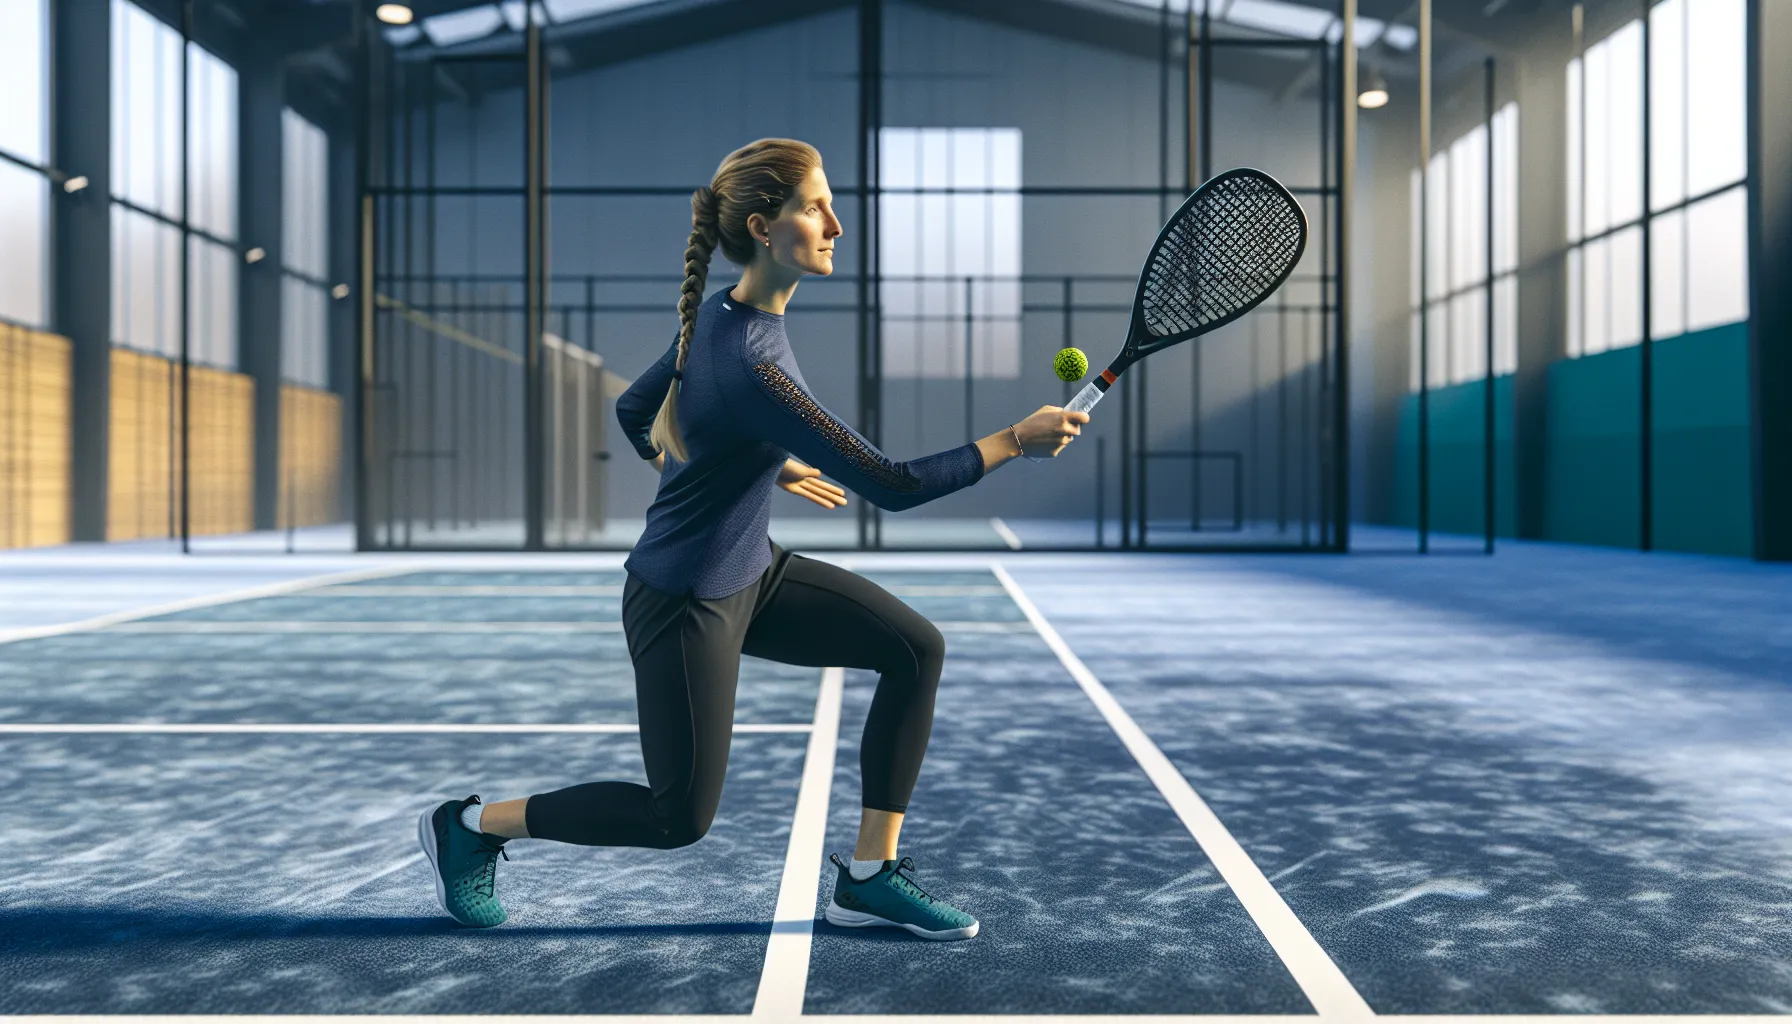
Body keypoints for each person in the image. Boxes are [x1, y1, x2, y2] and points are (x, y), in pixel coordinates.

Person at [418, 138, 1087, 940]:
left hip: (752, 573)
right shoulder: (754, 363)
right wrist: (1016, 438)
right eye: (816, 207)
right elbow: (893, 485)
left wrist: (759, 467)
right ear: (767, 228)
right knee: (677, 818)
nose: (838, 223)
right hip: (684, 602)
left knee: (916, 647)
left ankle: (871, 875)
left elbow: (637, 416)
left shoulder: (721, 316)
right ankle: (471, 825)